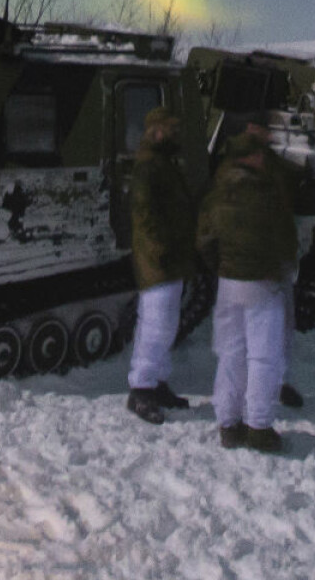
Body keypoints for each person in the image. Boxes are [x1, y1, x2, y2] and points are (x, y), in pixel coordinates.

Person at [194, 121, 301, 453]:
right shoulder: (265, 193)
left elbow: (205, 241)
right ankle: (258, 426)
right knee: (263, 356)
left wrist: (222, 267)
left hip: (229, 282)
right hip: (262, 284)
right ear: (251, 158)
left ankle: (228, 423)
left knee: (231, 353)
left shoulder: (218, 191)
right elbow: (286, 240)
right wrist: (284, 269)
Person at [125, 108, 198, 422]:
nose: (176, 135)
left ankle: (157, 382)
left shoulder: (163, 164)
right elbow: (145, 216)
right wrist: (161, 251)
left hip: (172, 259)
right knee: (156, 326)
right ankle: (141, 389)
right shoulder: (149, 168)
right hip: (159, 262)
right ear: (155, 131)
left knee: (165, 324)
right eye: (170, 129)